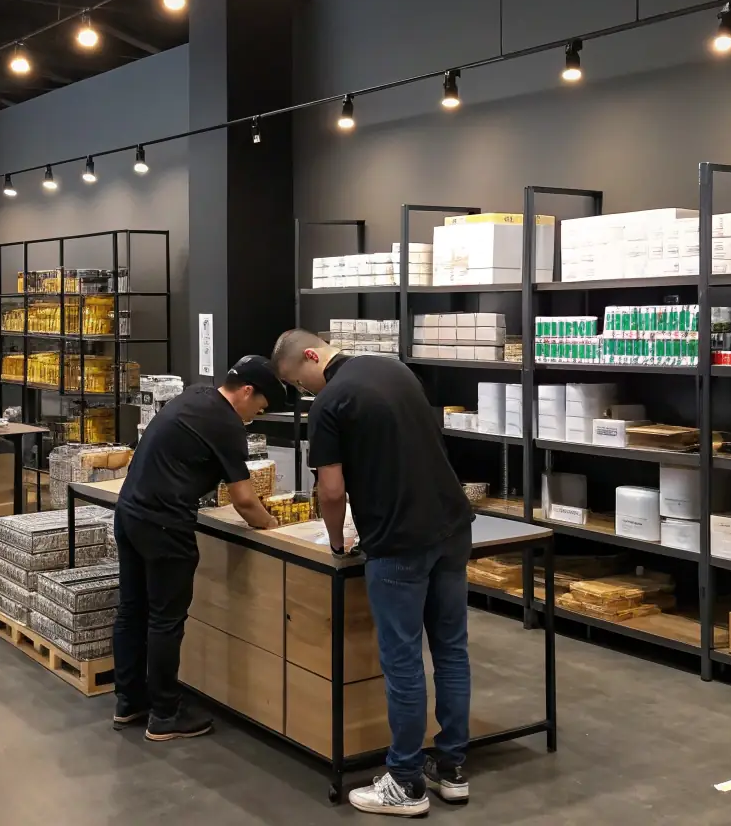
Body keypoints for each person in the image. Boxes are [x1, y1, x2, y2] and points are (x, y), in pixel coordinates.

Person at [273, 329, 474, 817]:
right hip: (450, 524)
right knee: (450, 650)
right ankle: (451, 769)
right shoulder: (394, 369)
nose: (304, 393)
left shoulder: (330, 403)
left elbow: (330, 490)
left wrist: (338, 542)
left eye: (299, 382)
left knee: (402, 661)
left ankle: (405, 781)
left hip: (398, 541)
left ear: (311, 355)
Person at [112, 355, 290, 742]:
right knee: (165, 619)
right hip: (163, 524)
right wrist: (274, 526)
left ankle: (129, 702)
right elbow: (245, 500)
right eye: (258, 407)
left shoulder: (194, 397)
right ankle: (164, 714)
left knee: (132, 609)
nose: (254, 416)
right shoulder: (226, 423)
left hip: (130, 512)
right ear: (246, 392)